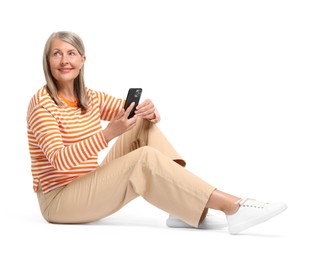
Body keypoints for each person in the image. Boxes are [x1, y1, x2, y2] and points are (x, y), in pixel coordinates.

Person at [27, 31, 287, 235]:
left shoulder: (89, 97)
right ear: (47, 62)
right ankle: (234, 207)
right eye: (56, 54)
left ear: (82, 60)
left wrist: (148, 112)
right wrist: (108, 134)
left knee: (140, 124)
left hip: (88, 183)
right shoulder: (42, 105)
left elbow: (128, 110)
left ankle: (182, 209)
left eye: (71, 53)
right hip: (59, 201)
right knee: (144, 159)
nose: (64, 61)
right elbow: (59, 160)